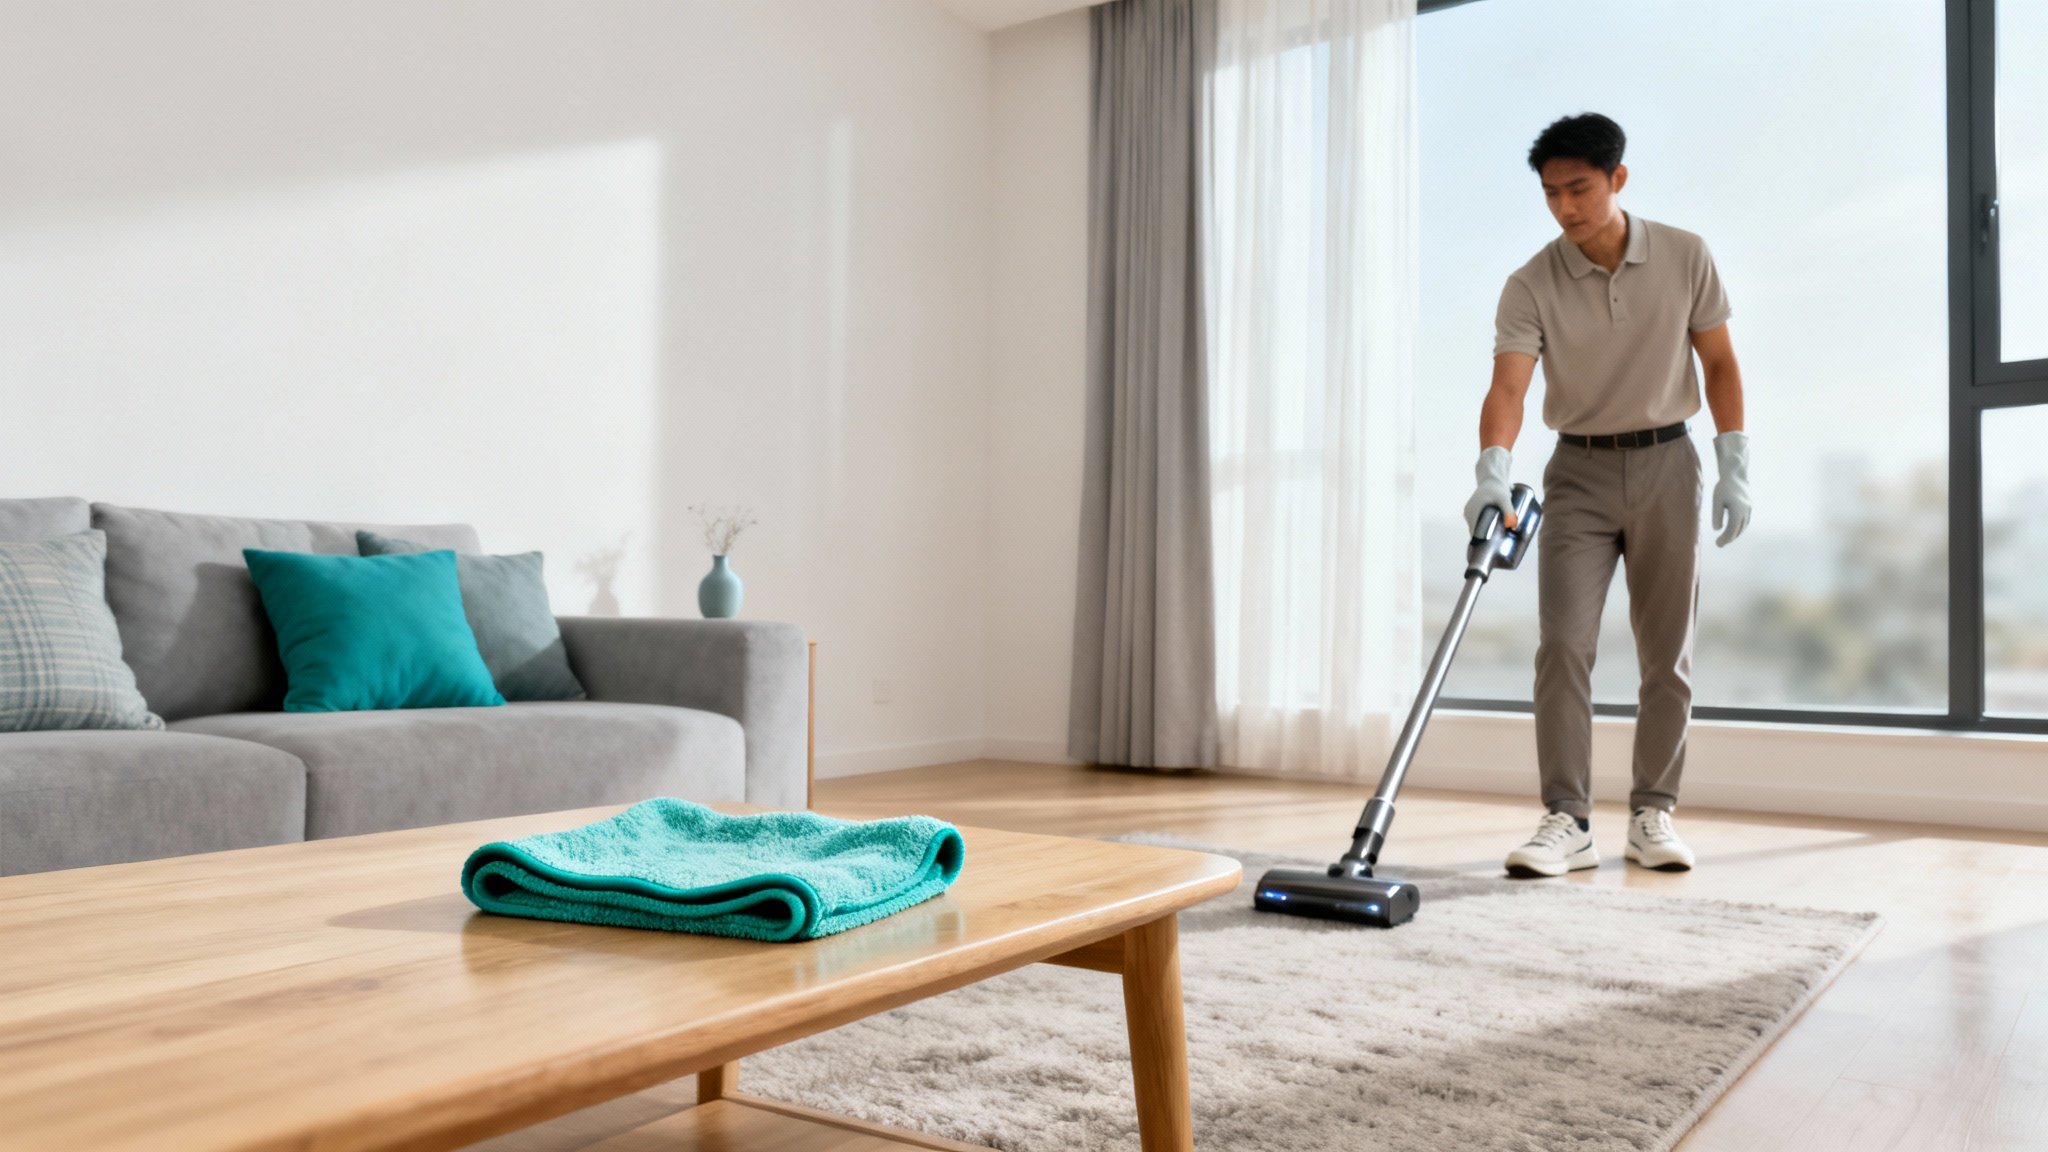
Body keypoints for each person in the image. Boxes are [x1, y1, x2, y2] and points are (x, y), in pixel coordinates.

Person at [1468, 112, 1751, 878]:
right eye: (1552, 193)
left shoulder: (1686, 255)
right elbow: (1509, 387)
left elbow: (1719, 364)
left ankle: (1653, 813)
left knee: (1668, 656)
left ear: (1618, 179)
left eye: (1580, 188)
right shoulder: (1529, 283)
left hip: (1668, 463)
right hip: (1578, 473)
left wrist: (1734, 460)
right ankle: (1568, 819)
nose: (1565, 207)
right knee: (1563, 644)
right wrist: (1492, 467)